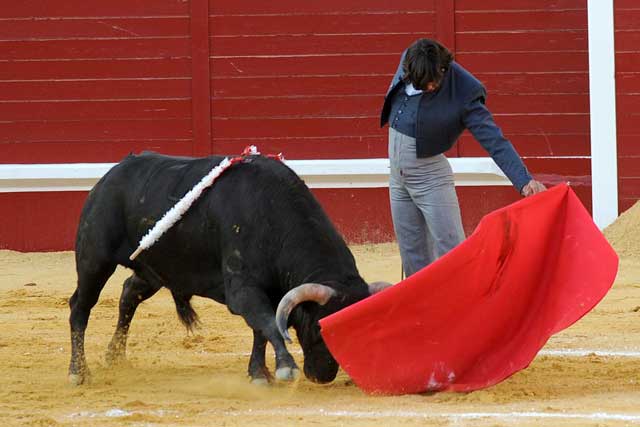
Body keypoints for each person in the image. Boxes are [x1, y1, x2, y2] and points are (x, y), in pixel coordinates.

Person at [380, 38, 546, 277]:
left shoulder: (465, 92)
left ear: (443, 69)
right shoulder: (411, 59)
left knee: (453, 252)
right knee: (412, 256)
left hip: (430, 179)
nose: (427, 88)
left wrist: (524, 181)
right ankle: (424, 313)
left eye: (431, 85)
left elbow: (494, 139)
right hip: (397, 177)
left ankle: (468, 307)